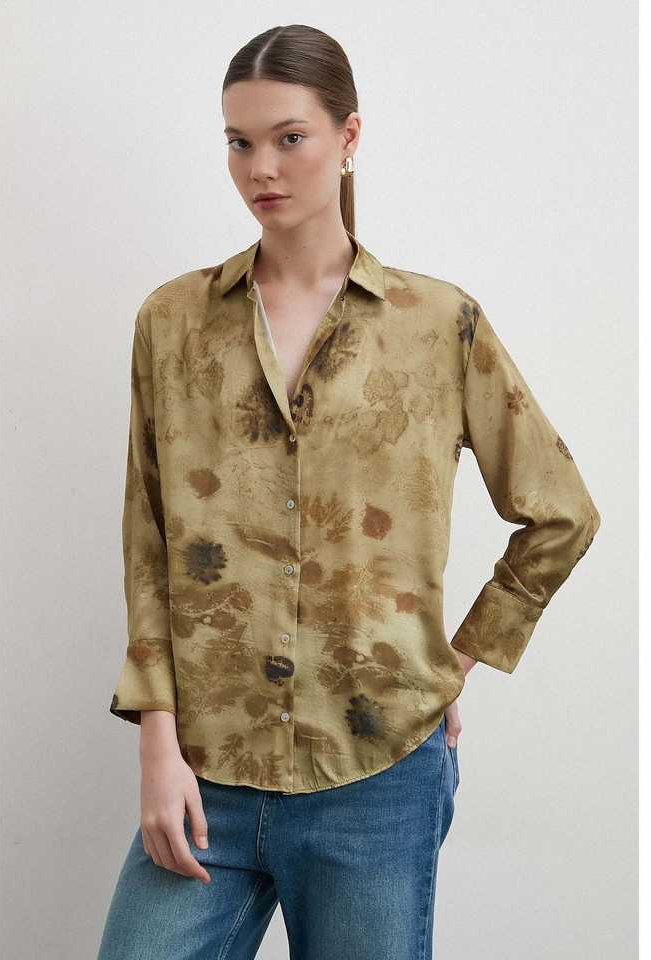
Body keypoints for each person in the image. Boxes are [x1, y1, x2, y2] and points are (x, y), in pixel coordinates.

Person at [97, 23, 601, 960]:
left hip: (377, 774)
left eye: (289, 137)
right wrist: (156, 741)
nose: (261, 168)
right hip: (206, 768)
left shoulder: (436, 323)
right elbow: (149, 536)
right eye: (239, 142)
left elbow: (561, 512)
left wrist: (456, 658)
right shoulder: (172, 321)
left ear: (349, 136)